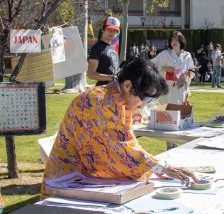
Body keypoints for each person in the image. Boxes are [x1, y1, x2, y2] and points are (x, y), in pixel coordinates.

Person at [42, 58, 198, 196]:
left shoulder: (119, 101)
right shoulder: (98, 102)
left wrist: (157, 166)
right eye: (145, 98)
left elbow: (129, 142)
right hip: (64, 184)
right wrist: (160, 167)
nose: (143, 105)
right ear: (128, 85)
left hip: (83, 180)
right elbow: (117, 152)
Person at [151, 31, 195, 104]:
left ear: (181, 41)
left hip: (181, 88)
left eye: (176, 40)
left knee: (180, 111)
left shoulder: (187, 55)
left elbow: (192, 70)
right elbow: (152, 65)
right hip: (167, 87)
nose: (174, 42)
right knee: (167, 111)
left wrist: (188, 76)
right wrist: (163, 68)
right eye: (172, 40)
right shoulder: (164, 54)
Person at [88, 16, 120, 86]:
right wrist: (112, 78)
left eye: (114, 31)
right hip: (102, 90)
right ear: (103, 29)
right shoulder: (96, 48)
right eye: (109, 30)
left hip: (115, 89)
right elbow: (91, 74)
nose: (112, 33)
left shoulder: (113, 47)